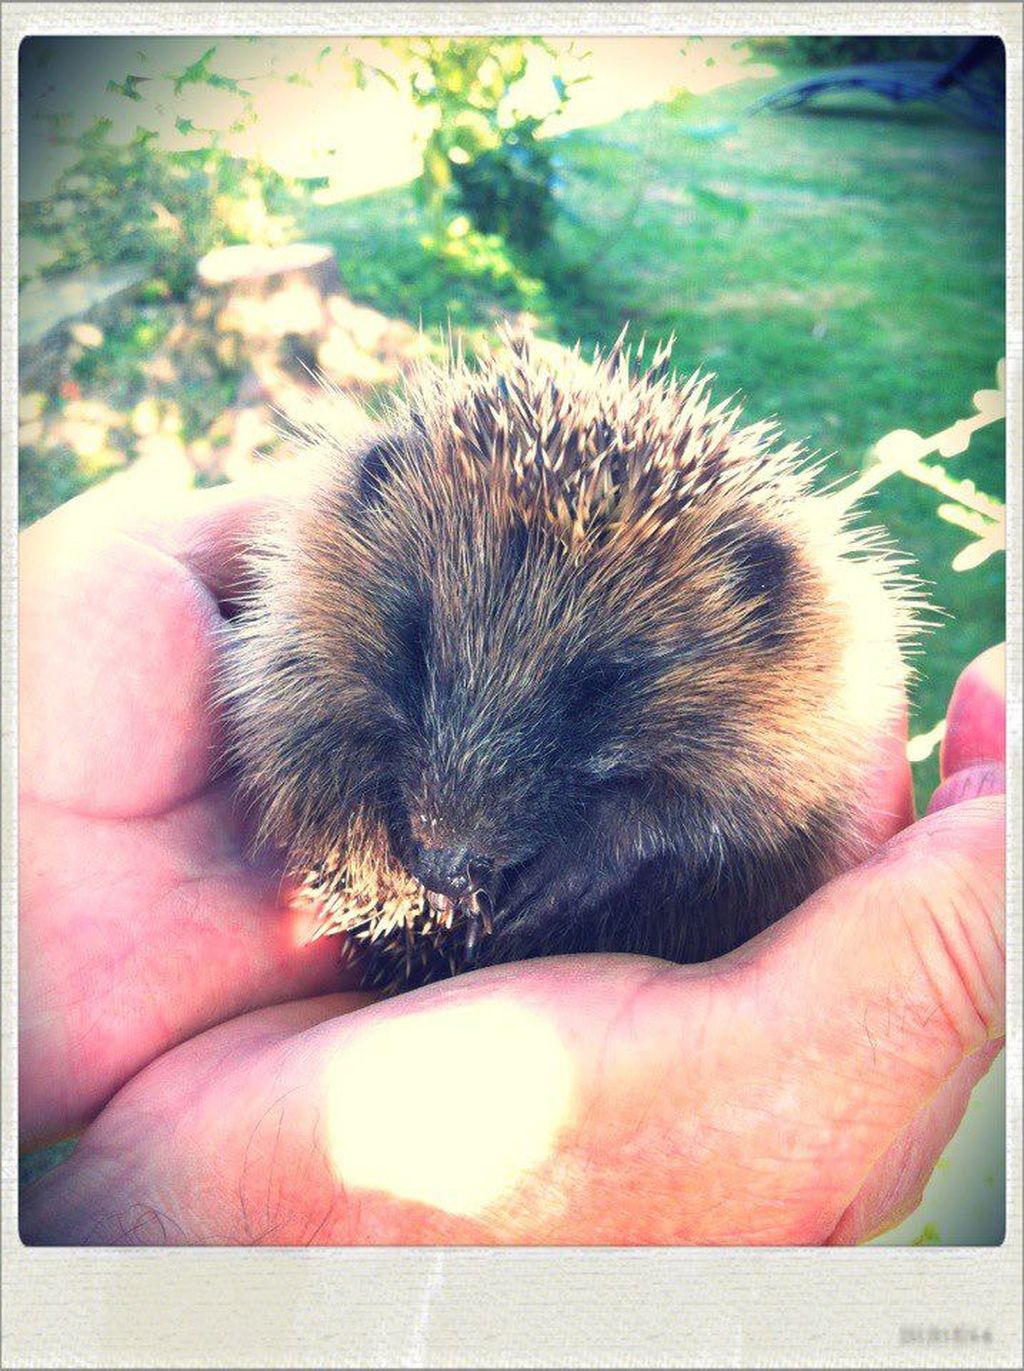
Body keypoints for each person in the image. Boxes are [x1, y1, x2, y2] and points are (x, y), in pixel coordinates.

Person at [18, 476, 1006, 1245]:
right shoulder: (323, 595)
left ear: (763, 614)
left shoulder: (758, 694)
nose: (449, 822)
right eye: (419, 650)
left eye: (595, 693)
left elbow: (752, 799)